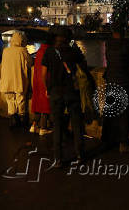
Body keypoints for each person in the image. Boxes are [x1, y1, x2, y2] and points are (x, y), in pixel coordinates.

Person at [41, 28, 89, 166]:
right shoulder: (73, 51)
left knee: (57, 126)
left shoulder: (49, 52)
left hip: (55, 92)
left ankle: (58, 158)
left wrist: (48, 89)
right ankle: (80, 154)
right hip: (71, 92)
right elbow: (83, 66)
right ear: (68, 38)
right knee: (76, 124)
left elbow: (43, 74)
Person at [102, 24, 129, 152]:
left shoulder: (108, 44)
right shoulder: (125, 45)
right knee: (125, 114)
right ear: (123, 31)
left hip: (110, 81)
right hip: (123, 82)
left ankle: (107, 139)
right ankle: (123, 143)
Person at [0, 31, 33, 128]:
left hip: (6, 80)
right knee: (20, 99)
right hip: (18, 79)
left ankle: (13, 120)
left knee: (10, 100)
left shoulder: (6, 51)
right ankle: (21, 119)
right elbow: (30, 63)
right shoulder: (22, 51)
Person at [30, 33, 55, 135]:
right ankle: (43, 128)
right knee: (45, 105)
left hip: (36, 80)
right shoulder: (49, 51)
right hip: (44, 80)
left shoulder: (40, 51)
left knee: (38, 103)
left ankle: (34, 125)